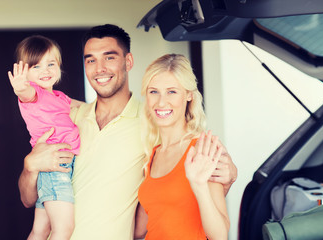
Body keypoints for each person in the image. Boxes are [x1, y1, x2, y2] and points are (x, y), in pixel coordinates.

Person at [17, 24, 237, 240]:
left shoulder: (153, 122)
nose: (99, 68)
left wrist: (228, 176)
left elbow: (190, 168)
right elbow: (28, 199)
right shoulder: (68, 120)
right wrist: (30, 167)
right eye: (91, 60)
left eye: (109, 57)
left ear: (128, 61)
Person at [134, 54, 230, 240]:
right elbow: (145, 227)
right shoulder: (152, 154)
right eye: (154, 92)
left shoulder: (203, 149)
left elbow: (220, 235)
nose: (161, 102)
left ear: (188, 95)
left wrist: (199, 185)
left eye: (172, 92)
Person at [8, 35, 81, 240]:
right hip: (54, 169)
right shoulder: (35, 95)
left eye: (51, 64)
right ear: (26, 72)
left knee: (40, 231)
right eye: (36, 67)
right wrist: (21, 87)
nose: (46, 70)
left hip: (56, 169)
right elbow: (25, 93)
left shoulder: (59, 96)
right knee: (64, 229)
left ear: (59, 66)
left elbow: (82, 107)